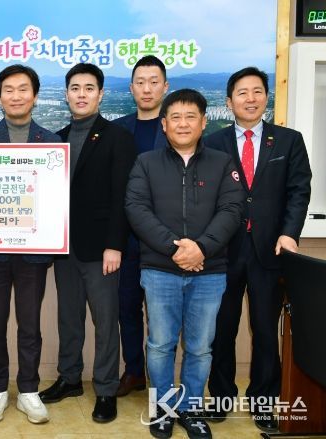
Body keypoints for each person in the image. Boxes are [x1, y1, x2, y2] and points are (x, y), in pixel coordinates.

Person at [125, 89, 244, 439]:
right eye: (175, 117)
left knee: (200, 347)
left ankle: (191, 408)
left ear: (204, 122)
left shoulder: (222, 163)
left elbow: (232, 210)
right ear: (164, 124)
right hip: (160, 269)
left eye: (190, 116)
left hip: (209, 271)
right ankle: (162, 409)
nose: (182, 123)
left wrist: (201, 248)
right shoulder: (146, 162)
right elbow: (136, 208)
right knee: (160, 344)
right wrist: (174, 248)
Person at [205, 67, 312, 432]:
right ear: (229, 101)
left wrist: (289, 233)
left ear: (267, 97)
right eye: (242, 93)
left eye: (257, 91)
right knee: (221, 329)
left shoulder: (288, 141)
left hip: (270, 250)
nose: (250, 99)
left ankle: (264, 401)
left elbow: (299, 191)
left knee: (266, 330)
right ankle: (221, 396)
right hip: (224, 252)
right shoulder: (213, 143)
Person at [38, 63, 136, 423]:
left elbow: (122, 196)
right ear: (66, 94)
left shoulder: (117, 137)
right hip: (64, 247)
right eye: (75, 88)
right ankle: (70, 378)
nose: (82, 94)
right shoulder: (56, 139)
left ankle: (106, 388)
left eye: (89, 88)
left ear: (100, 94)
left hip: (101, 249)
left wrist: (115, 245)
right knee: (69, 318)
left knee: (105, 321)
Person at [0, 64, 60, 424]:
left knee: (30, 324)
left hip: (33, 252)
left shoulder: (51, 142)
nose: (16, 96)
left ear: (34, 96)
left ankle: (28, 390)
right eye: (9, 89)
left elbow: (56, 200)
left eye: (23, 89)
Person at [113, 55, 169, 397]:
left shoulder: (178, 125)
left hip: (166, 240)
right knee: (128, 308)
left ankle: (161, 380)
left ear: (165, 87)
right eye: (140, 82)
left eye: (154, 82)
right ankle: (134, 371)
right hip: (128, 238)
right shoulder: (118, 130)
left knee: (162, 315)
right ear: (132, 88)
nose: (147, 89)